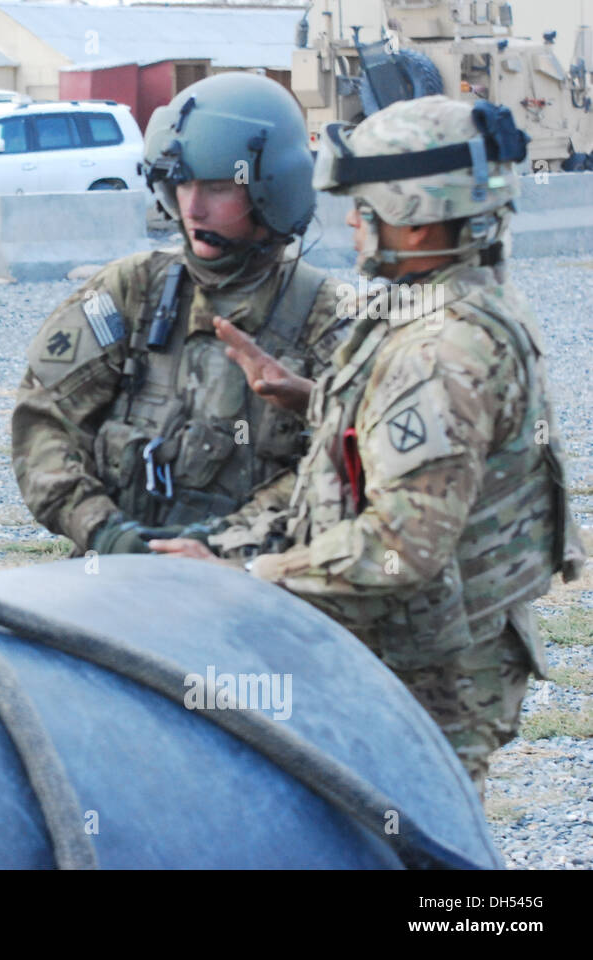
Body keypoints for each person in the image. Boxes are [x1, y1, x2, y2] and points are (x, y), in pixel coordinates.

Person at [154, 96, 586, 797]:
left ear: (417, 217)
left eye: (366, 204)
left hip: (435, 675)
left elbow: (403, 546)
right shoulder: (450, 301)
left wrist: (243, 577)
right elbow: (405, 438)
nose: (352, 221)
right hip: (430, 644)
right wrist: (308, 396)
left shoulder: (442, 348)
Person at [11, 72, 352, 556]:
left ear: (272, 190)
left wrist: (221, 543)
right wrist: (101, 527)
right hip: (120, 575)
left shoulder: (329, 319)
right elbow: (44, 419)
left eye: (215, 187)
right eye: (180, 184)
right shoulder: (130, 291)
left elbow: (344, 462)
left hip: (258, 587)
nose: (193, 208)